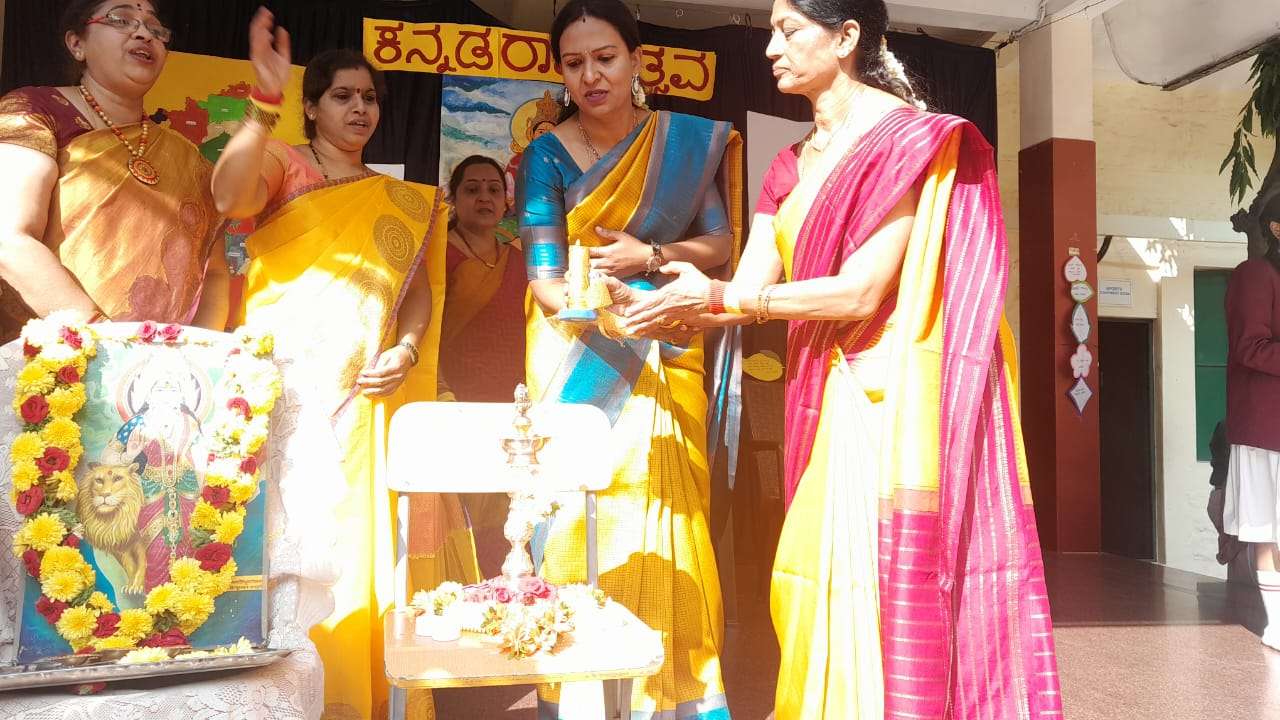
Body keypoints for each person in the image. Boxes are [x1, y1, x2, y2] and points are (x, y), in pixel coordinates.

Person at [616, 1, 1063, 717]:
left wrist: (726, 296)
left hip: (894, 405)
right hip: (823, 398)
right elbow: (744, 295)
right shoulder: (788, 166)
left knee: (887, 588)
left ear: (847, 36)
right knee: (812, 582)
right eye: (771, 31)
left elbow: (859, 292)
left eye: (788, 30)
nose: (771, 48)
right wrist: (665, 307)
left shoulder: (907, 142)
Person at [211, 9, 457, 718]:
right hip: (286, 397)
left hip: (363, 401)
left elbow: (418, 294)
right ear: (312, 107)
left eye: (370, 97)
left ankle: (353, 695)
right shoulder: (284, 163)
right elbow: (230, 197)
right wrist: (263, 102)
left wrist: (407, 348)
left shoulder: (399, 199)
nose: (360, 108)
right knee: (285, 544)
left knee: (354, 547)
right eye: (343, 95)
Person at [515, 0, 741, 716]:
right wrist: (612, 315)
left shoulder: (682, 143)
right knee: (574, 515)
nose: (592, 75)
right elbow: (545, 277)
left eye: (606, 58)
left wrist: (651, 256)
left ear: (637, 60)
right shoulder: (545, 155)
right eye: (575, 63)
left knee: (667, 511)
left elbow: (720, 245)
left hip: (666, 339)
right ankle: (578, 692)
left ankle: (674, 692)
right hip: (576, 352)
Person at [0, 0, 229, 342]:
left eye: (155, 29)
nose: (143, 33)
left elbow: (215, 274)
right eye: (121, 20)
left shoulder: (189, 159)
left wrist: (195, 356)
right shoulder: (34, 112)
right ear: (77, 44)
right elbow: (9, 238)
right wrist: (107, 344)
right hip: (56, 356)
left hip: (162, 369)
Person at [436, 154, 528, 576]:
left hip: (514, 406)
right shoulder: (437, 254)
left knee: (510, 516)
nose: (484, 198)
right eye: (472, 189)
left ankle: (504, 589)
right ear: (454, 199)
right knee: (461, 509)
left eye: (493, 189)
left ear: (506, 200)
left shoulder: (520, 261)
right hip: (454, 400)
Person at [1224, 192, 1280, 652]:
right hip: (1268, 428)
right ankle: (1276, 625)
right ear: (1277, 228)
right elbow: (1249, 347)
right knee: (1268, 530)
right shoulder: (1255, 275)